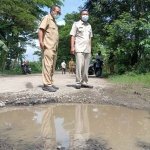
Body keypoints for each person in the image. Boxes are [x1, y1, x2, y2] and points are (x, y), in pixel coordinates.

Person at [38, 5, 61, 92]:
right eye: (57, 11)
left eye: (59, 12)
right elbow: (41, 30)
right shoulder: (47, 18)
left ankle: (50, 83)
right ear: (52, 11)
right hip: (47, 46)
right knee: (47, 65)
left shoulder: (54, 22)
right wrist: (41, 42)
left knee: (52, 66)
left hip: (54, 47)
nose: (58, 13)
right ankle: (47, 84)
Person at [70, 10, 93, 89]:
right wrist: (72, 47)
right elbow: (72, 36)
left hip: (87, 49)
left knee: (86, 67)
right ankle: (78, 82)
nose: (85, 15)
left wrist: (90, 48)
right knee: (80, 66)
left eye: (87, 14)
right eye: (83, 14)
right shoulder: (76, 24)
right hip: (79, 48)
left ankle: (85, 82)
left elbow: (90, 38)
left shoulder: (89, 25)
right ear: (80, 16)